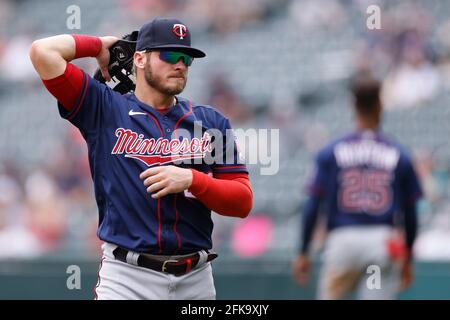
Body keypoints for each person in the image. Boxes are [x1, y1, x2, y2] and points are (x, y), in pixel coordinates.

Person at [29, 17, 253, 300]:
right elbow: (42, 51)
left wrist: (192, 180)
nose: (180, 64)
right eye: (170, 55)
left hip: (195, 281)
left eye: (186, 58)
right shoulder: (104, 108)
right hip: (127, 279)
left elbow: (242, 201)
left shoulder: (211, 122)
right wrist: (99, 45)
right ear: (140, 58)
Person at [292, 73, 422, 300]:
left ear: (353, 104)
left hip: (343, 243)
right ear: (380, 105)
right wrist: (408, 257)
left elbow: (313, 204)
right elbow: (410, 212)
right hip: (382, 242)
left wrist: (303, 250)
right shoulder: (399, 154)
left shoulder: (330, 151)